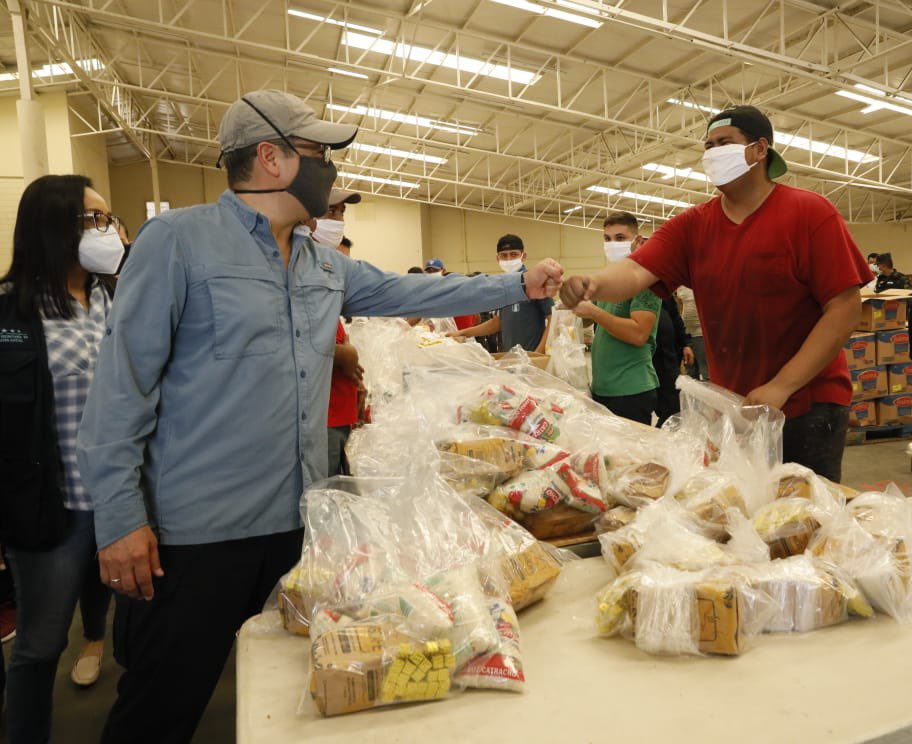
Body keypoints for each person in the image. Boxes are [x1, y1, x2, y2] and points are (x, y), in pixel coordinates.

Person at [76, 89, 562, 743]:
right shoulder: (178, 243)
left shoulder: (321, 264)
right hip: (195, 538)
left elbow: (406, 290)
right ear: (271, 159)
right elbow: (120, 389)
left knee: (291, 697)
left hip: (297, 534)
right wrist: (119, 519)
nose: (329, 171)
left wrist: (516, 285)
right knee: (162, 704)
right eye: (318, 155)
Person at [559, 105, 871, 481]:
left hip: (807, 402)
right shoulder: (693, 226)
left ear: (759, 150)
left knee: (804, 520)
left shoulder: (808, 213)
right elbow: (637, 269)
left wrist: (782, 386)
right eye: (707, 146)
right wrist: (592, 284)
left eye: (724, 143)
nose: (712, 154)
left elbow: (844, 308)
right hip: (736, 409)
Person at [0, 175, 121, 742]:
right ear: (52, 228)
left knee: (139, 626)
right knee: (41, 645)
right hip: (55, 507)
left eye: (108, 219)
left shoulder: (112, 298)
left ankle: (98, 648)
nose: (107, 232)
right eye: (93, 220)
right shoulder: (13, 316)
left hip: (123, 502)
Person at [571, 212, 662, 425]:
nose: (612, 245)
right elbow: (590, 316)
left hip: (630, 390)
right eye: (607, 239)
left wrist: (593, 312)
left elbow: (639, 333)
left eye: (620, 238)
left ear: (637, 241)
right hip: (604, 388)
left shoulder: (645, 281)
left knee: (632, 457)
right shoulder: (611, 277)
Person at [307, 188, 364, 476]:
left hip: (339, 412)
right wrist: (343, 353)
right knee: (324, 497)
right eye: (332, 211)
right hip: (322, 417)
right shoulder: (300, 272)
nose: (339, 220)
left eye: (343, 212)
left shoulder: (326, 274)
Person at [452, 235, 553, 353]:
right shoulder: (502, 286)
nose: (509, 259)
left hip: (532, 358)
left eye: (514, 254)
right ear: (497, 258)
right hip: (511, 357)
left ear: (523, 256)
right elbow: (499, 322)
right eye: (504, 255)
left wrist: (538, 353)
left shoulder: (535, 282)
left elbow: (553, 319)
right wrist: (464, 332)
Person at [652, 293, 690, 426]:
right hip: (649, 360)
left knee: (673, 408)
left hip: (668, 358)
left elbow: (675, 318)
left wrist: (685, 344)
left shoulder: (661, 290)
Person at [675, 286, 704, 379]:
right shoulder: (679, 286)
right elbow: (678, 307)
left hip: (701, 333)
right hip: (686, 335)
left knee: (706, 373)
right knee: (691, 374)